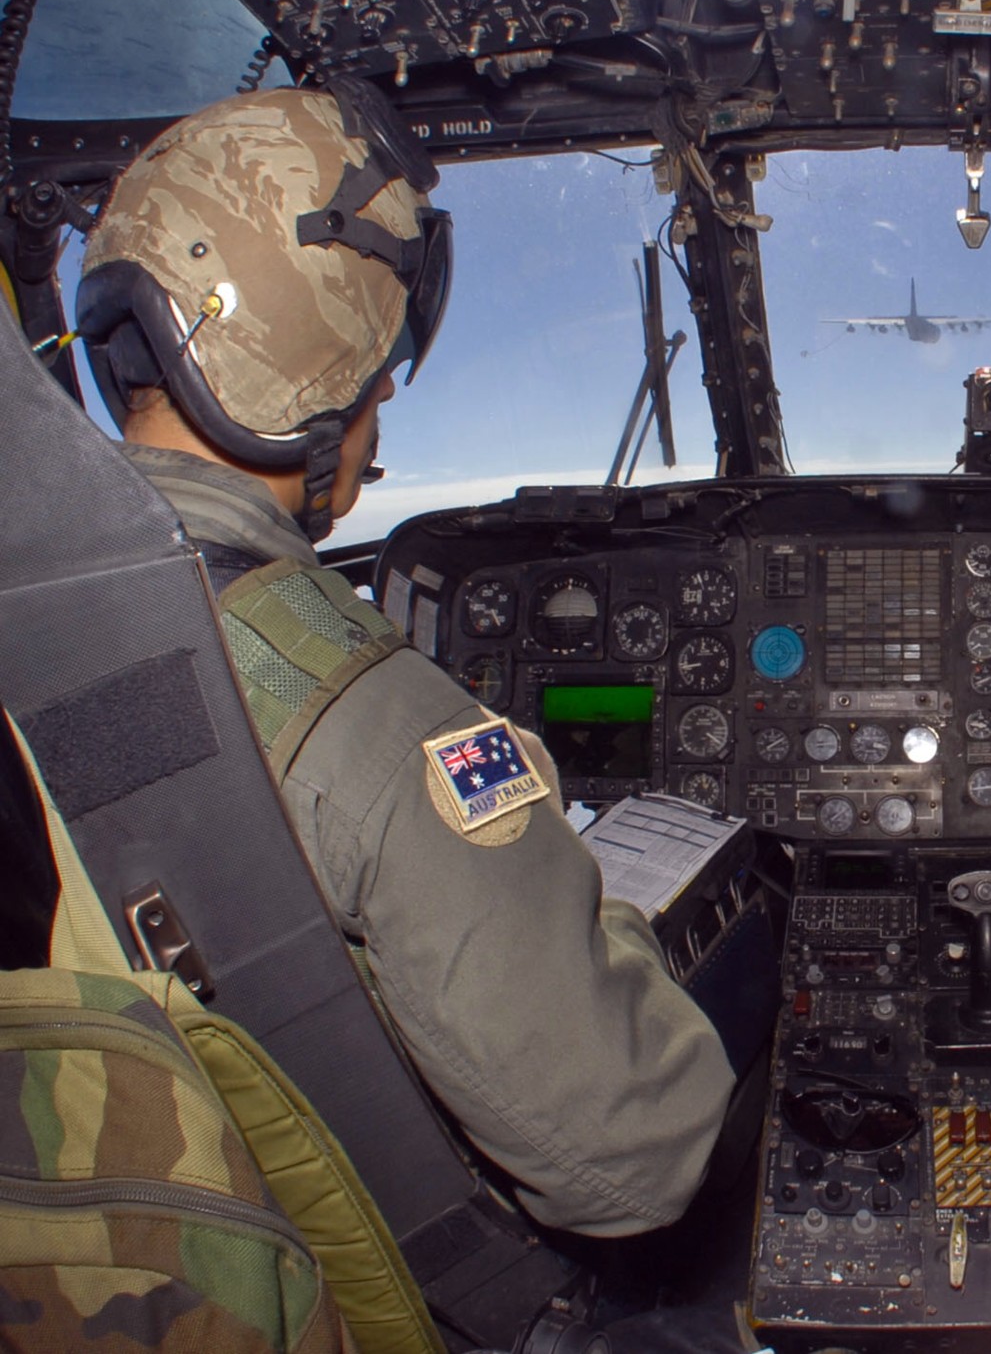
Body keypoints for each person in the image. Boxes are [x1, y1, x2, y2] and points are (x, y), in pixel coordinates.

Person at [74, 84, 732, 1238]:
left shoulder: (43, 601)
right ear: (324, 394)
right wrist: (580, 902)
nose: (380, 421)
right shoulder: (378, 730)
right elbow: (638, 1156)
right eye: (375, 386)